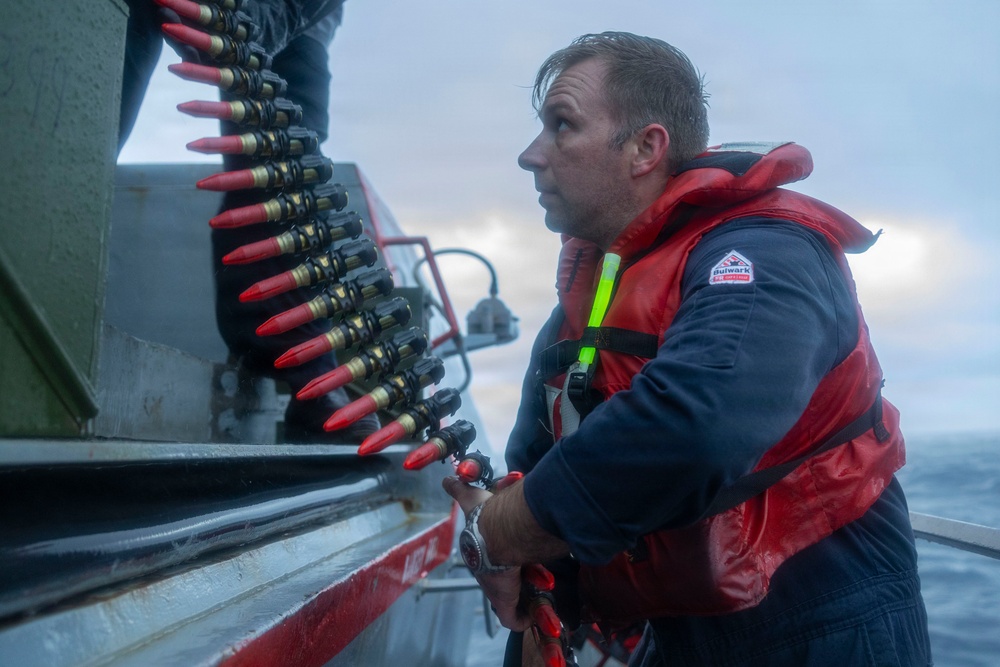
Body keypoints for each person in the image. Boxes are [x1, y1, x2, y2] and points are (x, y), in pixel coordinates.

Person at [444, 32, 931, 666]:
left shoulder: (765, 252)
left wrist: (499, 532)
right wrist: (544, 602)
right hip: (675, 635)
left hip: (826, 622)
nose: (530, 157)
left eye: (561, 126)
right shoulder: (591, 299)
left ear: (646, 147)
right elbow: (539, 465)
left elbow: (698, 422)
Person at [119, 0, 378, 441]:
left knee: (287, 182)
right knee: (96, 89)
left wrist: (266, 18)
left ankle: (304, 372)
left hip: (298, 24)